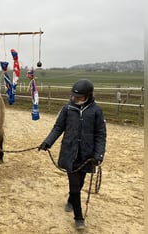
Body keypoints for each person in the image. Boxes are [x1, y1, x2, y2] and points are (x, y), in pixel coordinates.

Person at [38, 79, 106, 230]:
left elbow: (101, 134)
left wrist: (99, 155)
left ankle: (71, 198)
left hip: (87, 155)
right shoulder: (67, 109)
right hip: (69, 153)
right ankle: (79, 218)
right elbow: (58, 127)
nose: (75, 98)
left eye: (79, 96)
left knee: (80, 183)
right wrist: (47, 142)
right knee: (75, 185)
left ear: (88, 95)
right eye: (74, 96)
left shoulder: (96, 111)